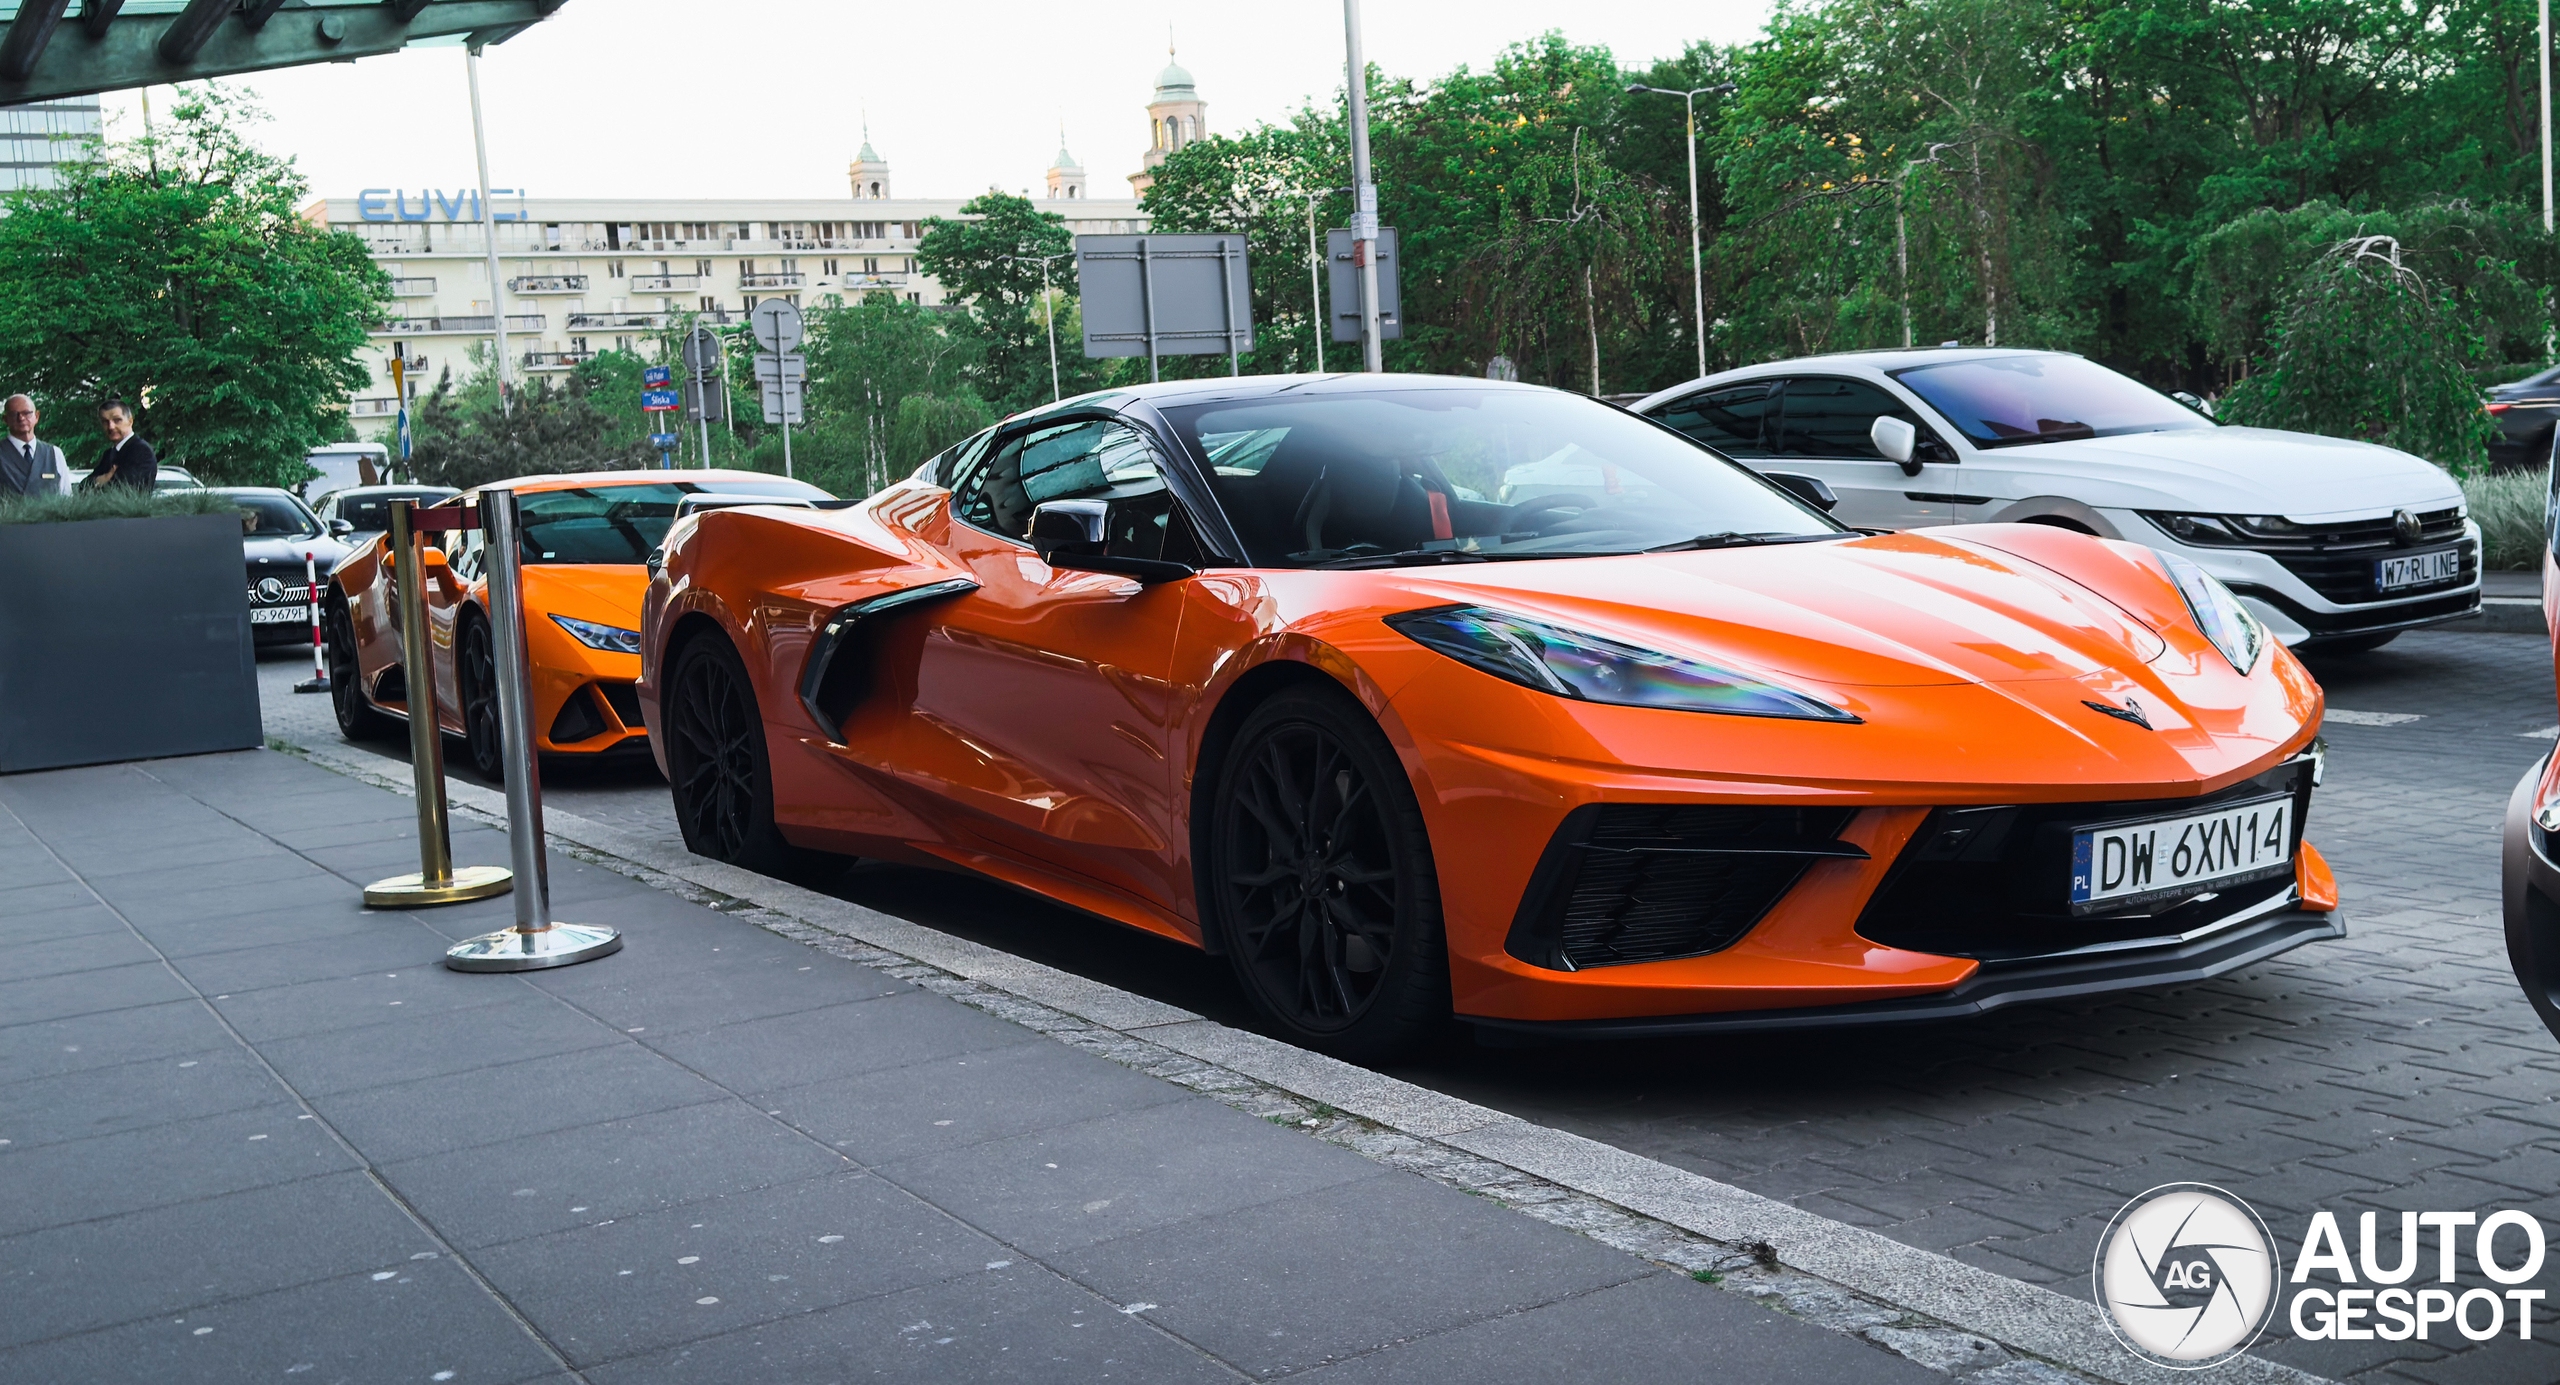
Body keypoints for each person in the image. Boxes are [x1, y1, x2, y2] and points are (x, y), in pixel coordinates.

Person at [0, 395, 65, 498]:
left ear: (37, 416)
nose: (21, 418)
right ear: (5, 419)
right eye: (14, 414)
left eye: (26, 413)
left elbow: (66, 498)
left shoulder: (54, 453)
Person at [85, 398, 156, 491]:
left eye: (117, 420)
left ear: (130, 421)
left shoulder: (141, 451)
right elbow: (82, 487)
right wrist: (101, 479)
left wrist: (100, 482)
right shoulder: (109, 453)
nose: (111, 427)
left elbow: (120, 491)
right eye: (105, 422)